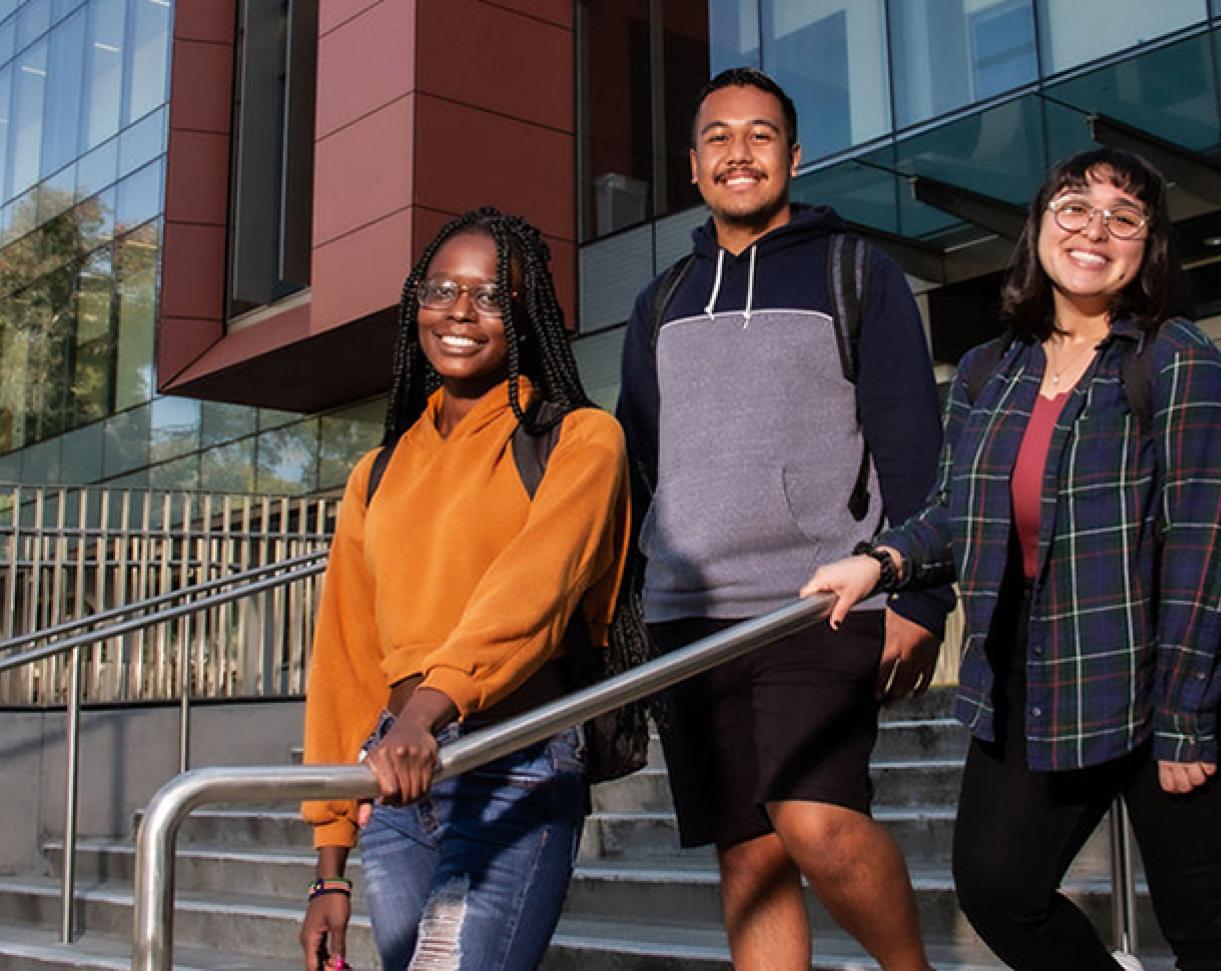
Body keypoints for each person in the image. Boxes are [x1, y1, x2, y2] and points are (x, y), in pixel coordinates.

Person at [803, 147, 1221, 971]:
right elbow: (957, 513)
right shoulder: (994, 371)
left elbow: (1206, 556)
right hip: (1051, 662)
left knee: (1205, 922)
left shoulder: (1178, 360)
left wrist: (1184, 721)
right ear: (1039, 229)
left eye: (1123, 217)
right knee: (997, 884)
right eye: (1074, 207)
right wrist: (881, 562)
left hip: (1189, 665)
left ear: (1148, 247)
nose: (1094, 229)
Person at [616, 68, 953, 970]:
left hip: (818, 599)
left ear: (794, 157)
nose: (739, 152)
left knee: (818, 823)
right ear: (693, 165)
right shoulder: (661, 302)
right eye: (719, 136)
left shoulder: (856, 272)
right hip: (688, 614)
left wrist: (921, 601)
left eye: (760, 135)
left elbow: (912, 444)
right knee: (750, 854)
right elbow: (638, 465)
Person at [298, 208, 630, 971]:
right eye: (441, 288)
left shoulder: (580, 439)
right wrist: (328, 864)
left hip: (516, 759)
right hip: (396, 783)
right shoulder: (376, 473)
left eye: (488, 296)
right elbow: (346, 659)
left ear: (524, 314)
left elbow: (532, 594)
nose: (458, 311)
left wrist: (425, 711)